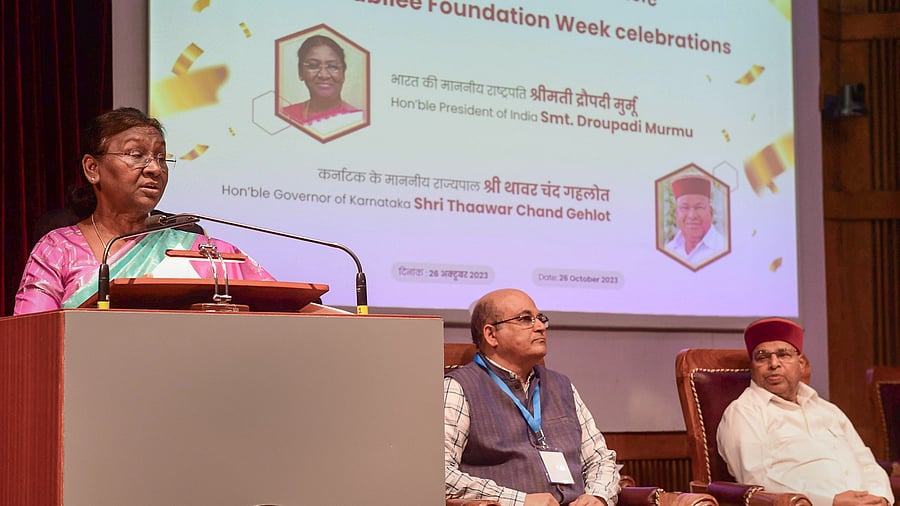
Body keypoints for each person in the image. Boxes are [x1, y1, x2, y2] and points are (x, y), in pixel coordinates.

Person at [14, 107, 274, 315]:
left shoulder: (203, 252)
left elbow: (290, 306)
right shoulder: (58, 249)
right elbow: (30, 336)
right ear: (92, 168)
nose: (155, 169)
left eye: (161, 157)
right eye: (136, 154)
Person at [444, 288, 620, 506]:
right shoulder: (458, 388)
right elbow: (440, 475)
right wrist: (519, 501)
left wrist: (597, 496)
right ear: (491, 335)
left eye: (540, 318)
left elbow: (599, 458)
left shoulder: (561, 386)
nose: (540, 327)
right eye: (526, 319)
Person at [717, 318, 894, 506]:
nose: (774, 363)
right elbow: (755, 481)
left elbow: (866, 462)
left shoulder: (828, 410)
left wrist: (880, 497)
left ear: (801, 363)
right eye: (762, 357)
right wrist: (830, 501)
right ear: (753, 367)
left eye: (783, 354)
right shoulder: (743, 412)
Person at [281, 34, 364, 133]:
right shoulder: (285, 116)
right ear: (300, 72)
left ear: (343, 74)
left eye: (333, 67)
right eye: (313, 65)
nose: (324, 75)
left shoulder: (358, 119)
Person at [663, 175, 726, 266]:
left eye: (699, 207)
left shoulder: (722, 248)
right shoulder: (668, 250)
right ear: (676, 214)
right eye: (684, 207)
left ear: (710, 212)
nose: (692, 216)